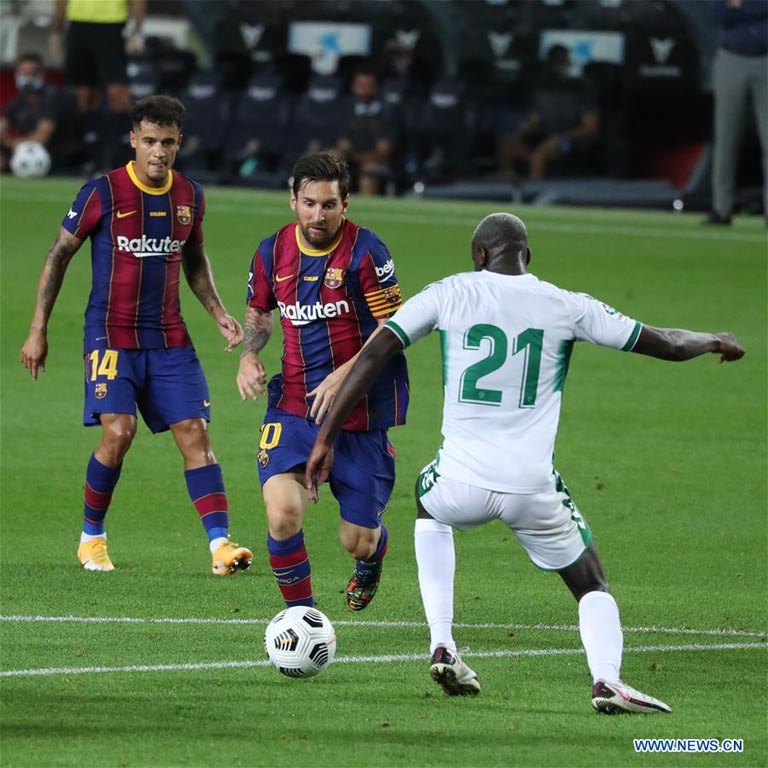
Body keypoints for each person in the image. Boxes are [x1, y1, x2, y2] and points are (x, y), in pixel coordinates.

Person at [305, 212, 745, 711]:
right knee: (590, 582)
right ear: (526, 257)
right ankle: (606, 681)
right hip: (532, 489)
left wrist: (325, 437)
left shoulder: (449, 292)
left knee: (429, 503)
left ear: (478, 255)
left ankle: (443, 643)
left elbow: (372, 355)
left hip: (460, 481)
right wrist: (714, 339)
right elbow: (663, 342)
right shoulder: (565, 304)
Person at [20, 94, 253, 576]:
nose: (158, 152)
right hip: (109, 337)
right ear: (133, 140)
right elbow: (57, 255)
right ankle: (91, 538)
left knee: (196, 435)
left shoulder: (190, 195)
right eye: (149, 141)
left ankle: (220, 546)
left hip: (170, 338)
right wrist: (37, 330)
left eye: (168, 142)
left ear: (179, 143)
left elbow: (193, 258)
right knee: (119, 431)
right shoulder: (101, 192)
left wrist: (218, 312)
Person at [236, 151, 409, 611]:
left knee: (357, 540)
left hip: (359, 411)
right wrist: (250, 355)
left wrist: (342, 373)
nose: (318, 214)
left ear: (345, 204)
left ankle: (371, 559)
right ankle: (302, 619)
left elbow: (393, 328)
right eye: (310, 203)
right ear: (293, 200)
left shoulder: (367, 251)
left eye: (329, 205)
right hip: (294, 405)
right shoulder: (272, 251)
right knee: (283, 513)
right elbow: (260, 313)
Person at [49, 0, 146, 170]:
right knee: (84, 94)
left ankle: (124, 154)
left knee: (119, 94)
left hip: (112, 24)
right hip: (78, 24)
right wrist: (56, 30)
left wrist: (136, 31)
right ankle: (89, 155)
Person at [497, 44, 600, 181]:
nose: (560, 65)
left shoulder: (581, 90)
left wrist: (560, 137)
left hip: (570, 142)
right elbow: (534, 119)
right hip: (542, 137)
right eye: (556, 60)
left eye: (563, 60)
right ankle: (509, 189)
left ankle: (533, 194)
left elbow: (590, 128)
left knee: (541, 154)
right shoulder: (542, 89)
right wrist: (520, 131)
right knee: (506, 144)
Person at [705, 0, 767, 225]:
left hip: (765, 58)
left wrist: (742, 6)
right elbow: (718, 13)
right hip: (732, 57)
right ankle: (721, 208)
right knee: (725, 138)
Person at [335, 67, 397, 196]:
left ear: (376, 88)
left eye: (367, 86)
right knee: (331, 160)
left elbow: (383, 151)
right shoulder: (346, 108)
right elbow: (342, 143)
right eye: (359, 85)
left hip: (376, 162)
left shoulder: (387, 112)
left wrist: (358, 156)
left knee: (369, 171)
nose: (362, 89)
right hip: (351, 158)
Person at [0, 53, 61, 173]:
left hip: (56, 157)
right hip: (23, 152)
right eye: (24, 73)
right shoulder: (17, 102)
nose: (28, 78)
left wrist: (9, 143)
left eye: (33, 74)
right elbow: (2, 127)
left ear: (42, 74)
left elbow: (41, 138)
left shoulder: (52, 96)